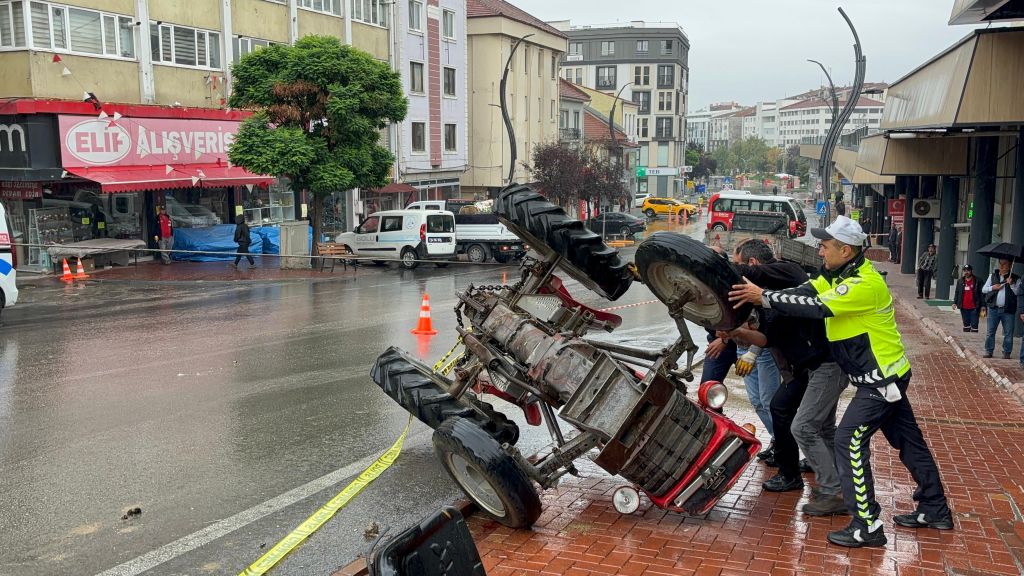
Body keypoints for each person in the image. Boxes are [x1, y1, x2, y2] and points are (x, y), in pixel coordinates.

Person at [729, 215, 951, 548]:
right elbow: (804, 291)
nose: (820, 251)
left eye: (825, 246)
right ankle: (934, 508)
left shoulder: (863, 283)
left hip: (880, 380)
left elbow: (817, 306)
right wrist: (767, 296)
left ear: (845, 250)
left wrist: (764, 297)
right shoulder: (836, 275)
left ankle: (867, 525)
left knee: (849, 441)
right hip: (882, 377)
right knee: (909, 442)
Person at [721, 241, 847, 516]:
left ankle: (832, 489)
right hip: (810, 367)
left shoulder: (788, 272)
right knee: (819, 426)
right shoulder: (765, 302)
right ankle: (835, 484)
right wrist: (737, 333)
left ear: (752, 265)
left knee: (803, 426)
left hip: (827, 364)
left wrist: (718, 266)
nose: (820, 252)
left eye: (741, 264)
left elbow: (753, 277)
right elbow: (767, 337)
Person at [981, 258, 1021, 359]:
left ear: (1010, 265)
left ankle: (1007, 352)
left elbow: (1018, 292)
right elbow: (984, 289)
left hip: (1008, 310)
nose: (1002, 266)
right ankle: (989, 351)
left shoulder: (1016, 278)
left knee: (1008, 333)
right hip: (993, 308)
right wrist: (993, 287)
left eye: (1004, 264)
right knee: (990, 332)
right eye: (1000, 263)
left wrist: (1011, 284)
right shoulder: (992, 276)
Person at [952, 264, 980, 333]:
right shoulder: (960, 281)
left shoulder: (978, 280)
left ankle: (973, 338)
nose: (966, 272)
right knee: (966, 325)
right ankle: (966, 337)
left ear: (971, 271)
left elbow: (981, 294)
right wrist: (954, 303)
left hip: (974, 307)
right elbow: (957, 292)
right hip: (963, 307)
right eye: (965, 270)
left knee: (974, 325)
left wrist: (983, 305)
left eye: (968, 270)